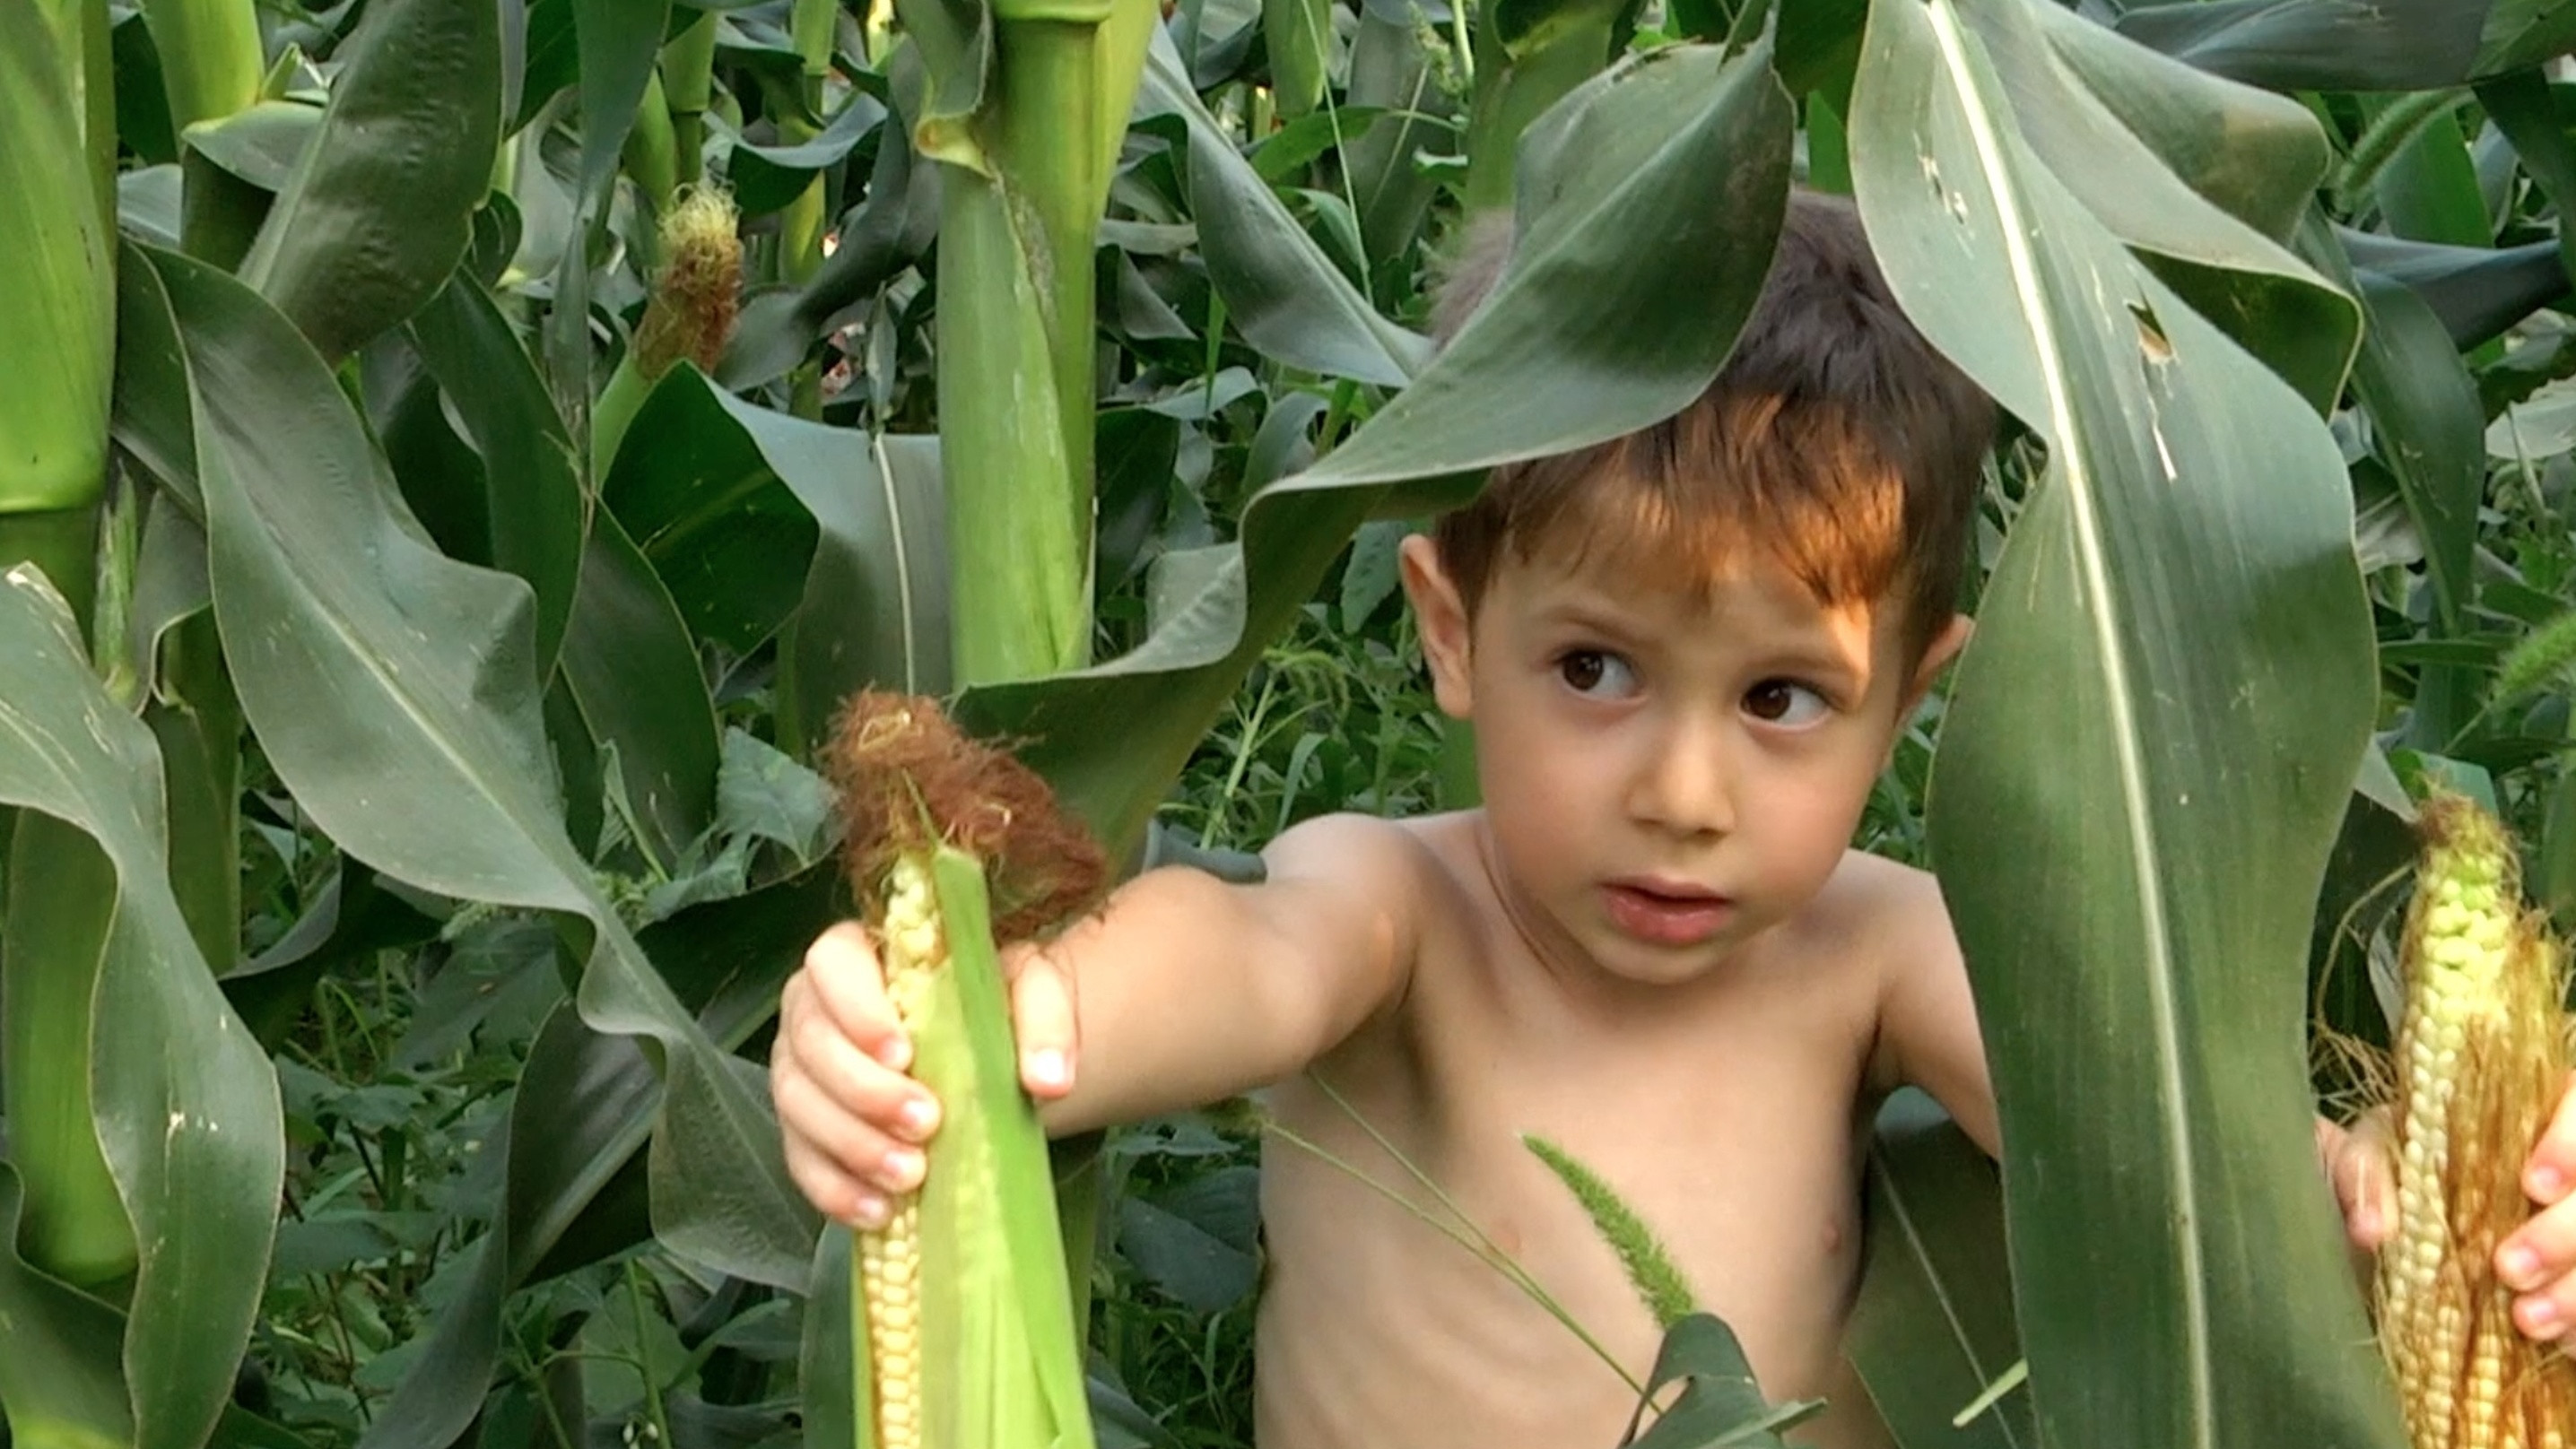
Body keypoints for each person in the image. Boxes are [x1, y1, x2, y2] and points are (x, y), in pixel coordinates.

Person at [767, 191, 2576, 1447]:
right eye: (1595, 670)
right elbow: (1235, 955)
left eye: (1781, 698)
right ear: (1452, 629)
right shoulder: (1403, 917)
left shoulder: (1876, 953)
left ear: (1912, 695)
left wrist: (2404, 1196)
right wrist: (983, 1019)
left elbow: (2150, 1136)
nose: (1684, 796)